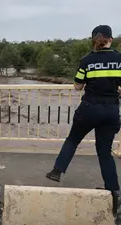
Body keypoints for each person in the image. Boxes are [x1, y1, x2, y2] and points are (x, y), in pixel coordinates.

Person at [46, 25, 121, 194]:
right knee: (104, 152)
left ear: (94, 40)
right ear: (111, 39)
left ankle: (57, 171)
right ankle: (114, 191)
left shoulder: (86, 60)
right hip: (111, 111)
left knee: (73, 140)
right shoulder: (120, 59)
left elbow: (78, 86)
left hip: (89, 109)